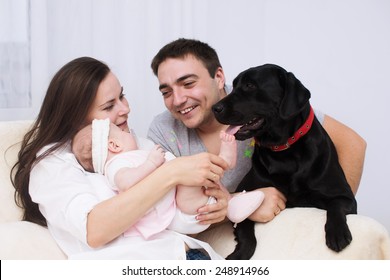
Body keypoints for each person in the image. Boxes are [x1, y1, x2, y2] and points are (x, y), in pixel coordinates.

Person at [11, 56, 231, 260]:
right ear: (75, 118)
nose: (125, 109)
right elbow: (95, 230)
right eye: (109, 106)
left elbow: (174, 217)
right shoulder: (52, 164)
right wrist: (170, 173)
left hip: (187, 255)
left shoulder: (134, 146)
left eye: (122, 96)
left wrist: (211, 208)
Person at [148, 38, 367, 226]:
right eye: (166, 91)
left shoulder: (261, 100)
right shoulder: (163, 130)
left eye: (188, 83)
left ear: (219, 77)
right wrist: (244, 205)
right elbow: (159, 212)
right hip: (210, 238)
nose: (177, 100)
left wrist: (330, 215)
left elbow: (353, 145)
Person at [71, 119, 264, 236]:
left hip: (179, 203)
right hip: (177, 214)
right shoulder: (115, 165)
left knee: (199, 172)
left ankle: (226, 171)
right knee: (191, 176)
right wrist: (151, 164)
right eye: (122, 132)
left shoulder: (135, 152)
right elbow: (125, 182)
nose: (129, 131)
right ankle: (226, 172)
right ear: (114, 145)